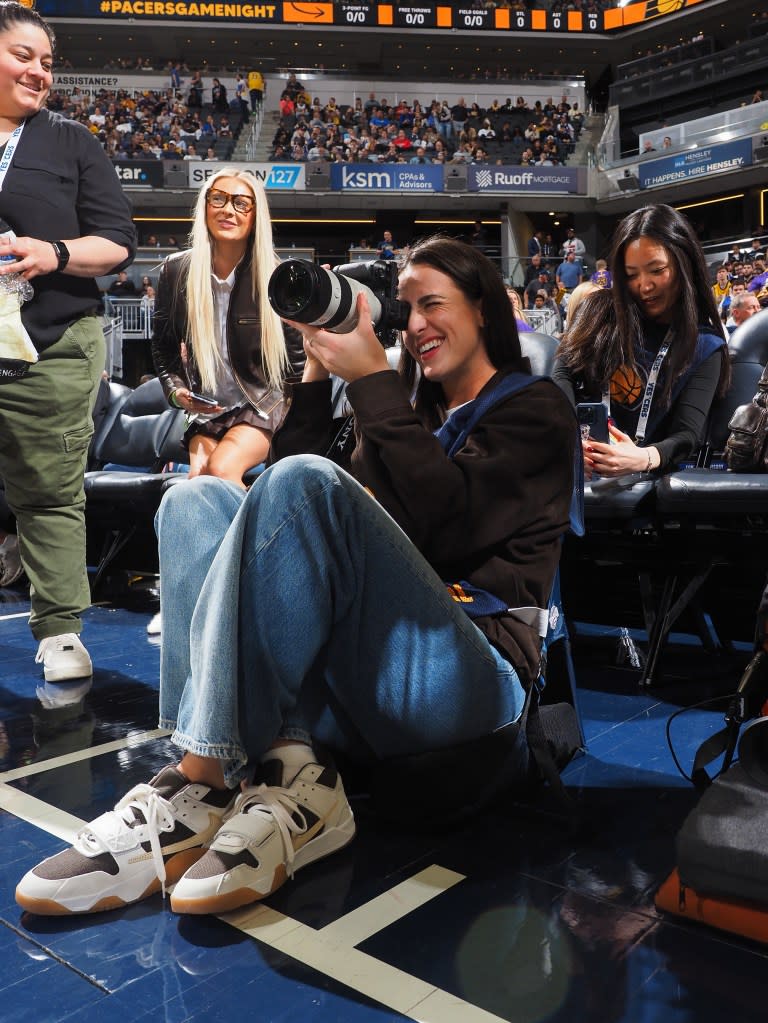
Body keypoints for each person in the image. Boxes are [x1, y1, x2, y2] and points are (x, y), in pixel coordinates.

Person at [16, 236, 576, 917]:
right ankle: (286, 773)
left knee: (307, 484)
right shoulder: (404, 410)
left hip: (476, 687)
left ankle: (201, 779)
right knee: (195, 501)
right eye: (406, 311)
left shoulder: (535, 408)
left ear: (486, 309)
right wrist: (316, 370)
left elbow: (443, 527)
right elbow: (280, 490)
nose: (418, 325)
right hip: (377, 676)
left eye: (434, 304)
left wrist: (373, 377)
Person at [0, 3, 135, 683]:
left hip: (49, 342)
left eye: (47, 61)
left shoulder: (73, 141)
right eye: (24, 55)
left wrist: (53, 251)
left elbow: (116, 243)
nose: (39, 72)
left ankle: (58, 631)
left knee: (50, 491)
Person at [553, 204, 730, 479]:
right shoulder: (599, 310)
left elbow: (686, 434)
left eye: (656, 270)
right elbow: (561, 373)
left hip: (644, 483)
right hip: (576, 472)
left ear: (684, 263)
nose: (644, 286)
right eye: (632, 274)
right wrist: (571, 437)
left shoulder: (704, 345)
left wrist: (644, 457)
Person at [151, 168, 305, 486]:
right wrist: (178, 393)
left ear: (255, 215)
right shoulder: (176, 271)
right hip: (208, 407)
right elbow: (164, 348)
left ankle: (254, 535)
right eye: (218, 199)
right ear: (205, 207)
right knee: (199, 479)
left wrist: (297, 422)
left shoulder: (278, 276)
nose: (227, 210)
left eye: (240, 203)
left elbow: (297, 363)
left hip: (262, 402)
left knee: (221, 471)